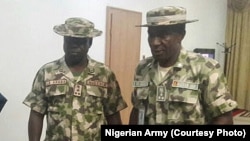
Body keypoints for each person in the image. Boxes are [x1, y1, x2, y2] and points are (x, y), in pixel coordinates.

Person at [129, 6, 238, 125]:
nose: (154, 42)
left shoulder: (205, 68)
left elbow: (223, 117)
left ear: (181, 35)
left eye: (163, 35)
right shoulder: (143, 68)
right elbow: (137, 110)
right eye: (151, 35)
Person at [23, 17, 127, 141]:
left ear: (90, 42)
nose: (74, 46)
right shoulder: (47, 72)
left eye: (80, 42)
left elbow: (113, 115)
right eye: (69, 40)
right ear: (64, 40)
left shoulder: (104, 74)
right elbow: (36, 113)